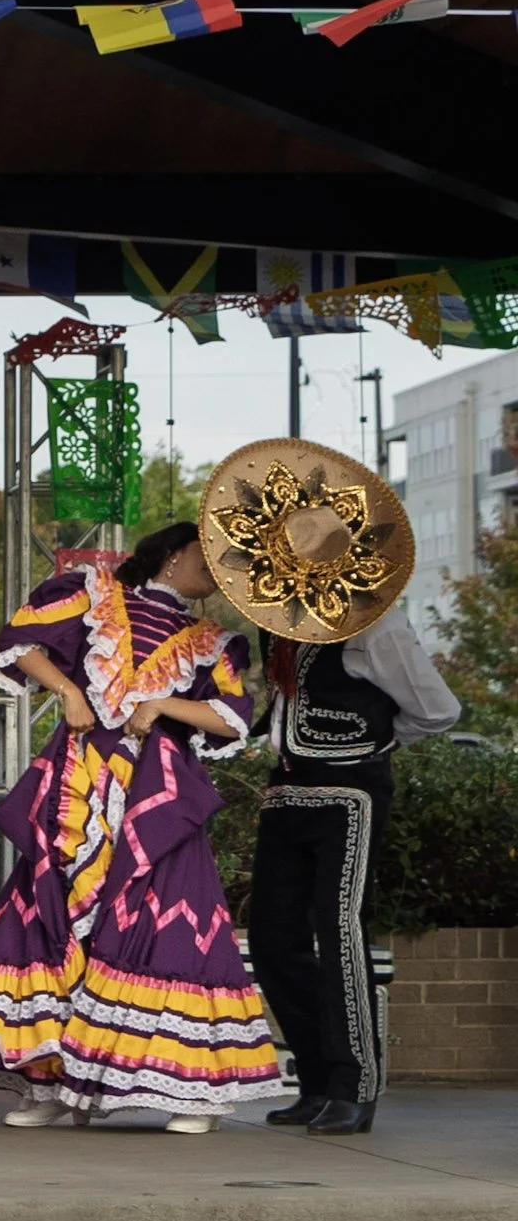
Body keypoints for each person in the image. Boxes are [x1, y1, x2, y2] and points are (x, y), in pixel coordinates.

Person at [0, 522, 283, 1131]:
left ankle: (188, 1091)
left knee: (165, 927)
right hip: (77, 784)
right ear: (173, 554)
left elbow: (230, 720)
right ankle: (48, 1081)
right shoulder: (92, 591)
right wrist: (67, 690)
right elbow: (20, 639)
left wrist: (163, 705)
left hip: (156, 800)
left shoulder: (217, 641)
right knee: (50, 918)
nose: (220, 571)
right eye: (210, 557)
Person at [198, 439, 459, 1137]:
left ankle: (355, 1085)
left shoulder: (379, 628)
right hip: (287, 796)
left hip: (349, 797)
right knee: (277, 940)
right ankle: (316, 1078)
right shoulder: (283, 628)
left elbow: (438, 711)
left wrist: (367, 744)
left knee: (340, 933)